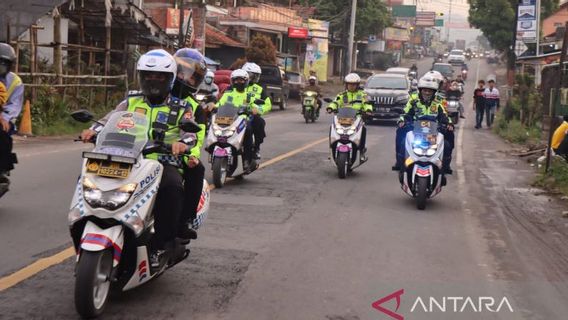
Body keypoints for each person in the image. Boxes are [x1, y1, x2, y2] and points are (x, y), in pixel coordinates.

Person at [80, 49, 194, 267]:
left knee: (172, 188)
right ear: (141, 77)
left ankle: (162, 246)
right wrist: (92, 130)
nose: (153, 80)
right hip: (125, 157)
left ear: (169, 79)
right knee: (87, 176)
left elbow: (190, 134)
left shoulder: (181, 107)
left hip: (162, 160)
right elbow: (108, 119)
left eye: (160, 76)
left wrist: (182, 143)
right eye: (148, 75)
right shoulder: (130, 100)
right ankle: (86, 220)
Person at [171, 48, 209, 242]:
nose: (185, 79)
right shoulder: (154, 94)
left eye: (192, 77)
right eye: (181, 71)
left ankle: (184, 221)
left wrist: (189, 155)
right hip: (142, 151)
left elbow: (197, 137)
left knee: (197, 169)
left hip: (177, 155)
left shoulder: (195, 107)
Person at [392, 75, 454, 174]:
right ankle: (399, 162)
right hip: (415, 129)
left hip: (434, 131)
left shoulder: (439, 101)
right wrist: (402, 121)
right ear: (420, 90)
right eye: (425, 90)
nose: (427, 93)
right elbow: (405, 112)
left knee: (447, 141)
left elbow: (444, 115)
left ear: (434, 92)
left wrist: (449, 123)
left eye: (430, 91)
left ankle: (446, 165)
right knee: (401, 137)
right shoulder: (413, 100)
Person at [216, 69, 270, 169]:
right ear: (233, 81)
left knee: (248, 130)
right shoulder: (229, 92)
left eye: (241, 80)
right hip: (229, 119)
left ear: (246, 81)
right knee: (216, 128)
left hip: (244, 120)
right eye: (236, 80)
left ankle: (247, 159)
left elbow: (260, 105)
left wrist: (256, 109)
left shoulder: (249, 94)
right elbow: (220, 103)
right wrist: (214, 107)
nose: (239, 82)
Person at [326, 73, 373, 162]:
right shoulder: (342, 95)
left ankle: (362, 151)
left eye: (353, 84)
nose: (351, 86)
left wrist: (368, 110)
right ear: (346, 85)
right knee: (332, 128)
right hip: (342, 118)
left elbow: (367, 104)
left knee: (363, 129)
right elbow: (335, 102)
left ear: (357, 85)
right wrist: (330, 108)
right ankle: (331, 150)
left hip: (357, 118)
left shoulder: (363, 95)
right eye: (349, 84)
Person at [0, 43, 23, 185]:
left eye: (3, 64)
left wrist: (5, 118)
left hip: (3, 118)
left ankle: (1, 170)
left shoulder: (15, 81)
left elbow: (14, 105)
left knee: (3, 135)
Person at [242, 62, 271, 159]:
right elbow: (225, 98)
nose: (255, 78)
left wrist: (258, 109)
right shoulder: (235, 85)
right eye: (253, 75)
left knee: (260, 123)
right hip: (235, 114)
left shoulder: (259, 89)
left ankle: (256, 148)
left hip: (251, 115)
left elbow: (268, 104)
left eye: (256, 76)